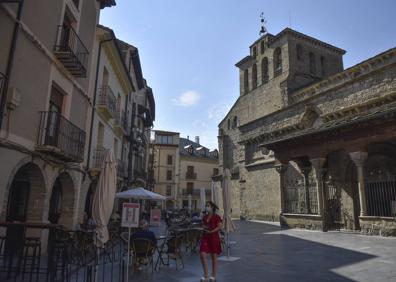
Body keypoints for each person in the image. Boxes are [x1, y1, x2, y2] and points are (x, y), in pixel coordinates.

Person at [199, 201, 222, 282]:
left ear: (212, 207)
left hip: (214, 238)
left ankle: (213, 276)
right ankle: (206, 275)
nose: (206, 207)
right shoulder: (205, 216)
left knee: (214, 258)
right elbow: (204, 225)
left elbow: (219, 227)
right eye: (206, 206)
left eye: (208, 206)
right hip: (205, 237)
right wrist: (203, 227)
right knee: (202, 254)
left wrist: (211, 232)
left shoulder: (217, 217)